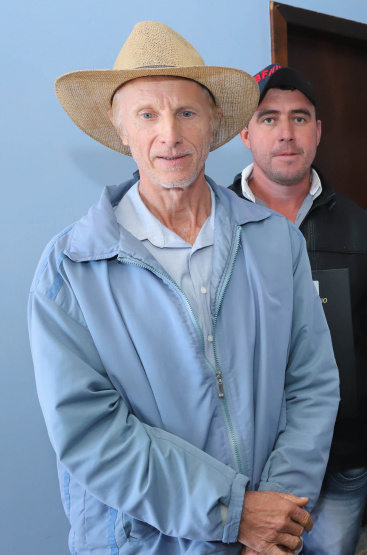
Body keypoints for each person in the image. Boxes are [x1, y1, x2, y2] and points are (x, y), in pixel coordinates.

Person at [29, 22, 339, 554]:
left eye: (186, 112)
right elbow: (91, 435)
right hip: (142, 543)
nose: (169, 134)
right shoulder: (69, 267)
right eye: (147, 114)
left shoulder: (275, 243)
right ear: (119, 126)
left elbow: (311, 384)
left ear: (215, 121)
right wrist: (234, 511)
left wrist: (276, 516)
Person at [229, 63, 367, 555]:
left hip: (341, 455)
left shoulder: (361, 222)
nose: (285, 134)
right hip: (247, 466)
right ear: (245, 133)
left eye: (299, 118)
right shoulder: (212, 223)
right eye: (269, 119)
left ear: (318, 131)